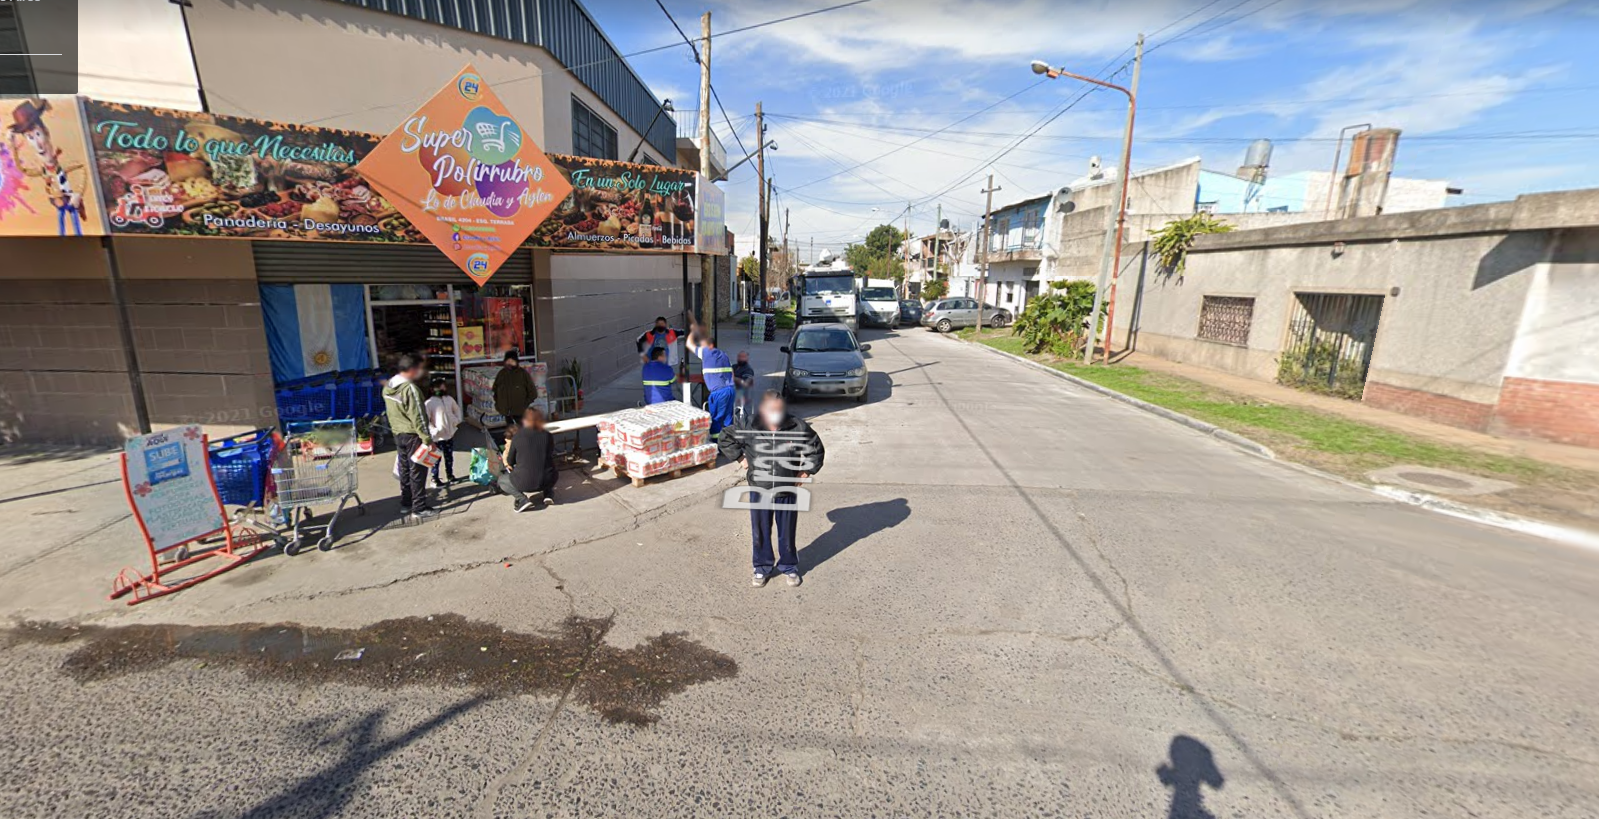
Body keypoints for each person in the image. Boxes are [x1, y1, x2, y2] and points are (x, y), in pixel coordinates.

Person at [718, 390, 825, 588]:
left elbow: (815, 448)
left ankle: (789, 566)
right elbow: (725, 438)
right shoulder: (749, 426)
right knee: (760, 530)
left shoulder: (796, 426)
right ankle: (761, 567)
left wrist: (805, 471)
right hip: (760, 489)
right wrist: (741, 459)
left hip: (787, 489)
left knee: (787, 531)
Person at [383, 353, 436, 523]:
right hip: (413, 435)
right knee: (418, 471)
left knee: (404, 468)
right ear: (413, 370)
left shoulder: (389, 384)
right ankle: (419, 508)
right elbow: (419, 417)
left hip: (398, 433)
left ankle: (406, 502)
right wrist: (427, 440)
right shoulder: (410, 389)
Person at [501, 407, 559, 512]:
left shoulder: (517, 437)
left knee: (502, 480)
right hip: (548, 479)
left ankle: (522, 499)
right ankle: (548, 493)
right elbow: (550, 454)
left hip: (525, 482)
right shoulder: (548, 435)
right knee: (548, 467)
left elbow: (510, 461)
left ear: (525, 420)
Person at [687, 316, 736, 434]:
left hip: (718, 393)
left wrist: (693, 331)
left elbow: (689, 344)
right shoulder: (724, 354)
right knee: (728, 419)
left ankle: (717, 445)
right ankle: (730, 443)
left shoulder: (706, 353)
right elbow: (731, 372)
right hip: (730, 390)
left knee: (715, 419)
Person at [424, 379, 462, 489]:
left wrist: (456, 421)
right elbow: (426, 420)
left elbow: (457, 410)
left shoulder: (449, 399)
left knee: (449, 457)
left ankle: (450, 475)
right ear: (432, 389)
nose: (441, 389)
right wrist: (434, 430)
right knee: (436, 459)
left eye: (442, 387)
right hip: (437, 437)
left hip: (449, 434)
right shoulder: (429, 403)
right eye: (438, 387)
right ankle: (434, 478)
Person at [492, 350, 536, 442]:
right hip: (506, 411)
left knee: (523, 432)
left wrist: (524, 404)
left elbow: (533, 393)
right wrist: (498, 404)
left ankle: (525, 447)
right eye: (508, 361)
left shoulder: (523, 374)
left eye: (512, 361)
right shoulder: (501, 374)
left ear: (516, 361)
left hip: (520, 411)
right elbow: (495, 390)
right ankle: (511, 450)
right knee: (510, 434)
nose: (510, 363)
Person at [731, 351, 757, 420]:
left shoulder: (748, 369)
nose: (740, 358)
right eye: (739, 356)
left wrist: (734, 378)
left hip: (741, 393)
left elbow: (745, 384)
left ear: (747, 359)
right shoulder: (734, 366)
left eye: (743, 357)